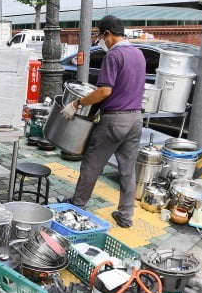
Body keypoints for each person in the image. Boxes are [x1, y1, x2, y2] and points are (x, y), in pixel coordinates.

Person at [60, 15, 146, 228]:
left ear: (107, 33)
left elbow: (105, 91)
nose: (102, 41)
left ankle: (77, 206)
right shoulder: (139, 54)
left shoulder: (114, 56)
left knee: (92, 163)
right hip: (136, 119)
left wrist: (76, 104)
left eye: (101, 36)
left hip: (115, 120)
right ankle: (125, 216)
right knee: (127, 170)